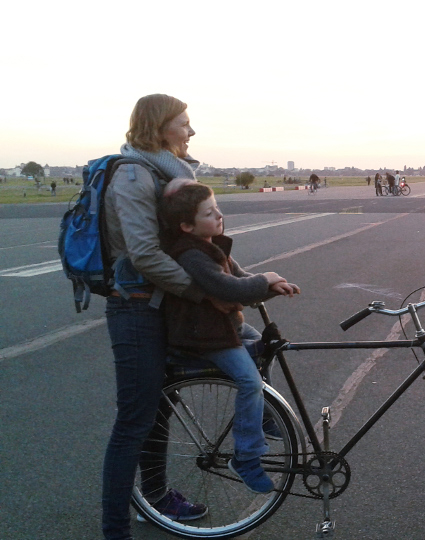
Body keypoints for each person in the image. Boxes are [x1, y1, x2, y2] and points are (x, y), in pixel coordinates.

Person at [101, 94, 212, 539]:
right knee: (134, 420)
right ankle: (115, 530)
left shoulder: (165, 172)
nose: (191, 131)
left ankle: (158, 498)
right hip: (134, 307)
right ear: (158, 127)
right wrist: (202, 292)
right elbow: (144, 253)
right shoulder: (133, 175)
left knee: (161, 408)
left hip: (162, 303)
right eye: (183, 123)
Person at [159, 182, 300, 494]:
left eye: (217, 209)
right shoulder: (191, 254)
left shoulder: (213, 246)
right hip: (205, 335)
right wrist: (267, 278)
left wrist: (272, 286)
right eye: (209, 213)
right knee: (250, 381)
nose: (219, 216)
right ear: (187, 226)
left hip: (226, 327)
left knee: (264, 349)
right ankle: (246, 457)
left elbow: (242, 279)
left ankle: (262, 416)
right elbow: (229, 288)